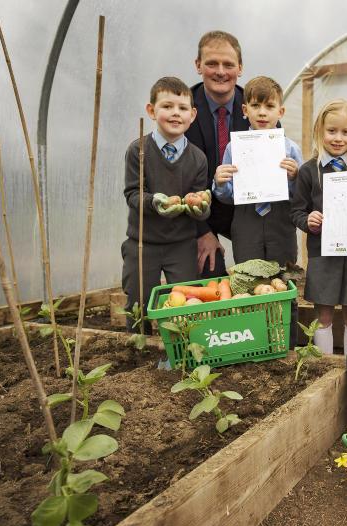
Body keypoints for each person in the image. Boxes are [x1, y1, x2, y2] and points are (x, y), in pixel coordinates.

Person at [121, 77, 211, 331]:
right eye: (167, 106)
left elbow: (201, 207)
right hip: (142, 244)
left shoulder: (198, 158)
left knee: (186, 302)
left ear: (192, 115)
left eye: (182, 108)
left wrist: (200, 205)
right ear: (152, 111)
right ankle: (137, 347)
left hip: (181, 245)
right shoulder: (138, 150)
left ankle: (182, 348)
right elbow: (132, 194)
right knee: (138, 302)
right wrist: (155, 202)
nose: (175, 113)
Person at [291, 99, 347, 355]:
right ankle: (325, 365)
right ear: (319, 130)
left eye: (345, 132)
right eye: (332, 131)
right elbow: (296, 211)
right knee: (323, 314)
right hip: (322, 255)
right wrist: (308, 221)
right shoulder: (308, 171)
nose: (338, 138)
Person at [212, 75, 303, 264]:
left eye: (269, 106)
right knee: (247, 273)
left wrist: (295, 177)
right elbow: (228, 197)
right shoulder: (234, 148)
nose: (262, 113)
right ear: (245, 110)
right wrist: (220, 183)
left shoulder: (291, 149)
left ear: (281, 112)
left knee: (285, 274)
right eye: (255, 106)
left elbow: (301, 197)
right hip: (246, 222)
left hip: (281, 222)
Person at [186, 31, 250, 278]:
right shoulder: (181, 109)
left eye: (228, 64)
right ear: (198, 65)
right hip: (196, 210)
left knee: (261, 273)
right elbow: (173, 178)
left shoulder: (258, 108)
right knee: (210, 273)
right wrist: (202, 232)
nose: (220, 72)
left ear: (240, 68)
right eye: (212, 63)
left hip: (245, 210)